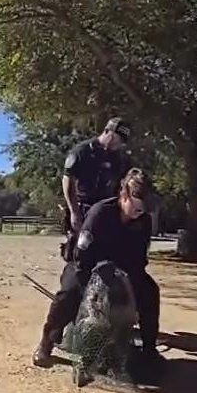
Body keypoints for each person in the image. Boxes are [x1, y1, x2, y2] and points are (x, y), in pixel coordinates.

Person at [33, 168, 164, 373]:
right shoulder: (100, 213)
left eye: (143, 210)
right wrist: (93, 285)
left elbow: (139, 260)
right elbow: (81, 255)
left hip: (123, 272)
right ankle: (46, 342)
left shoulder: (144, 221)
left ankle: (149, 349)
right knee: (69, 293)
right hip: (87, 267)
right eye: (137, 207)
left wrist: (127, 285)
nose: (140, 213)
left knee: (150, 291)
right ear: (124, 195)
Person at [60, 117, 132, 260]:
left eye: (121, 141)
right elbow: (68, 180)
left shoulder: (117, 159)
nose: (118, 143)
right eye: (116, 138)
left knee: (102, 252)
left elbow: (121, 185)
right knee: (79, 252)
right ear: (107, 131)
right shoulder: (82, 151)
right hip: (82, 207)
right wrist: (74, 212)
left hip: (104, 209)